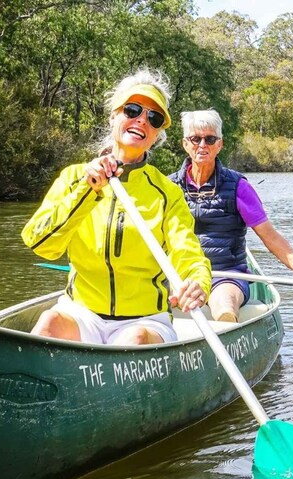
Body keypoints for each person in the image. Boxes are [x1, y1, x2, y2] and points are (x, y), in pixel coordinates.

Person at [21, 70, 211, 345]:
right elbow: (40, 244)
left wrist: (197, 283)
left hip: (144, 320)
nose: (141, 121)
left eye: (153, 118)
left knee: (133, 339)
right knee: (49, 322)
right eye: (132, 110)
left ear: (157, 134)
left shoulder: (166, 193)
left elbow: (188, 254)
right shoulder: (74, 177)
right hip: (82, 312)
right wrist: (88, 190)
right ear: (113, 116)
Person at [169, 109, 293, 323]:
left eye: (210, 139)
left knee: (224, 304)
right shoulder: (169, 186)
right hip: (181, 273)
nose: (202, 145)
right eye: (195, 139)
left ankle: (225, 345)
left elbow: (271, 237)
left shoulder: (239, 187)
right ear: (185, 144)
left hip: (227, 275)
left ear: (219, 144)